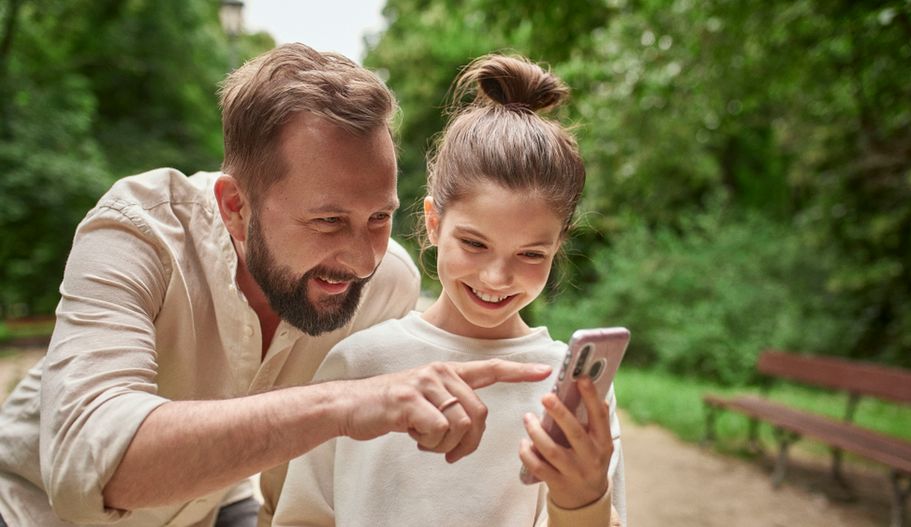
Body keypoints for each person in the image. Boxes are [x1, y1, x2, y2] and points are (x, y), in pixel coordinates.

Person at [0, 44, 553, 527]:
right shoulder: (136, 232)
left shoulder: (387, 286)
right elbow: (83, 470)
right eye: (328, 221)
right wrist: (343, 402)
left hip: (209, 512)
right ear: (236, 208)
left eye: (379, 218)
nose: (363, 260)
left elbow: (301, 496)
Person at [271, 54, 626, 527]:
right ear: (434, 222)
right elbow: (303, 517)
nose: (497, 278)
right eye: (474, 243)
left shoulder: (570, 392)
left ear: (559, 246)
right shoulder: (358, 364)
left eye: (530, 254)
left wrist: (582, 502)